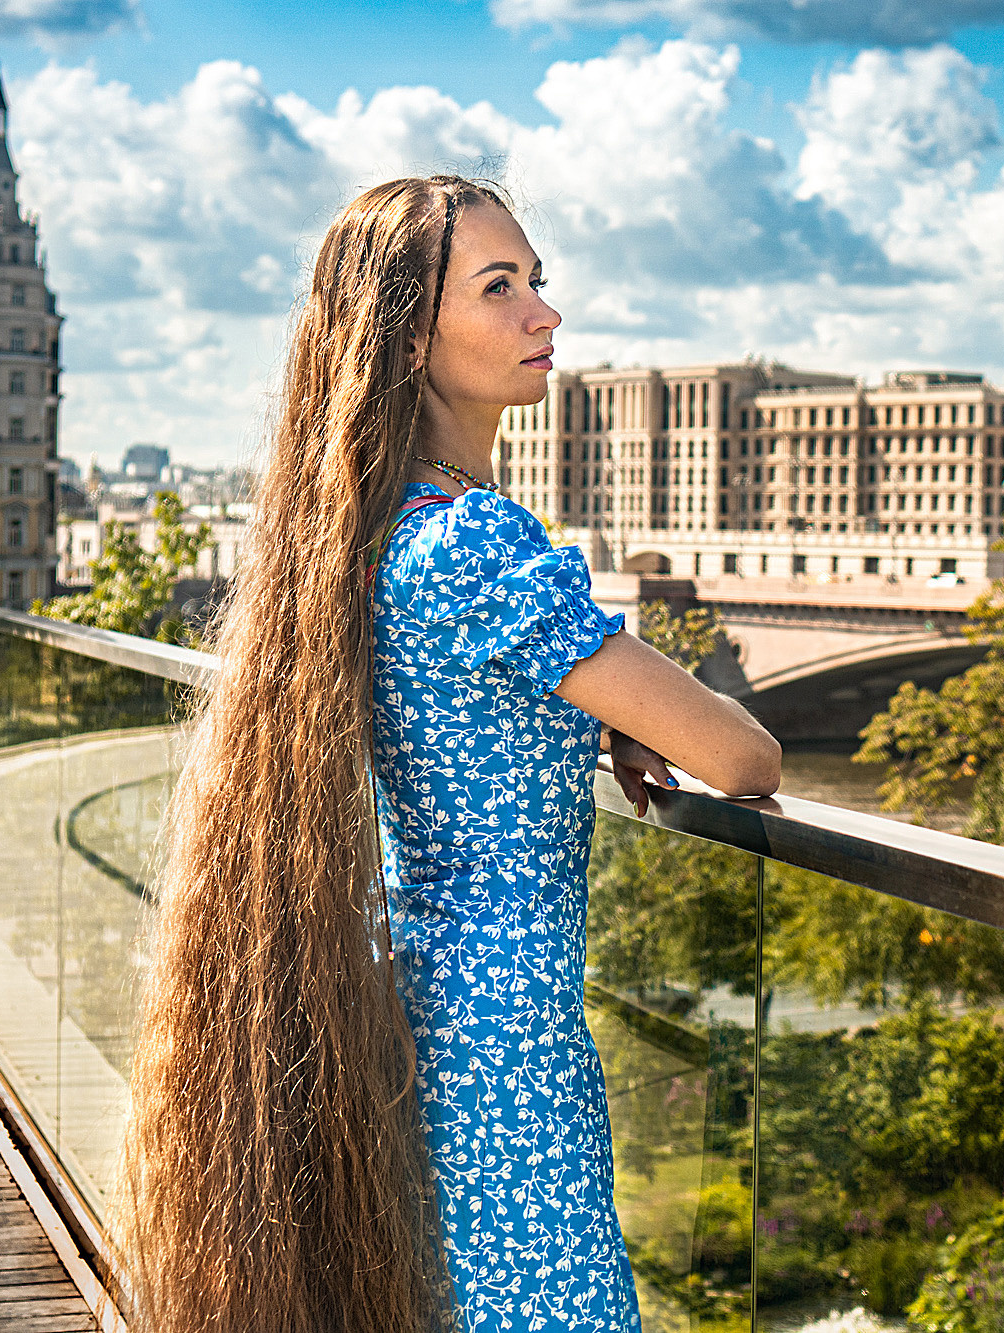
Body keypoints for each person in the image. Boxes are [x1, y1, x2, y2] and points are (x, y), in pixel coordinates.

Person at [121, 175, 780, 1333]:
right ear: (405, 337)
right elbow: (743, 756)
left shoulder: (372, 529)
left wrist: (596, 708)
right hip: (507, 1036)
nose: (544, 315)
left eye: (538, 281)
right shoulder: (475, 540)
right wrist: (627, 702)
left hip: (421, 994)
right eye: (500, 287)